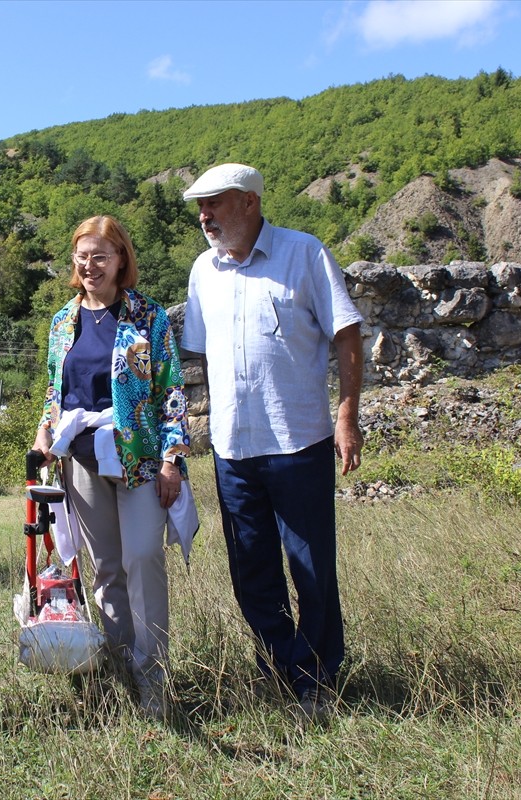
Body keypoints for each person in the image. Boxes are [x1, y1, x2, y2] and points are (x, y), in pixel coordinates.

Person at [179, 163, 364, 724]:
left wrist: (348, 413)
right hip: (233, 449)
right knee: (250, 572)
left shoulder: (304, 254)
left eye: (215, 204)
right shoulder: (202, 272)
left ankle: (318, 680)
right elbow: (197, 355)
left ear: (250, 202)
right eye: (200, 207)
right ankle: (292, 670)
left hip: (299, 441)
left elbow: (347, 333)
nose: (204, 216)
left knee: (311, 568)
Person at [31, 215, 191, 721]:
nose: (89, 265)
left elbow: (171, 393)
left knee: (143, 557)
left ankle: (153, 678)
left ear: (122, 259)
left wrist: (172, 460)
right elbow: (57, 391)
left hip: (139, 459)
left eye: (101, 256)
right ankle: (122, 664)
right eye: (82, 255)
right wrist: (44, 434)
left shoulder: (149, 317)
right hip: (80, 459)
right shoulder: (63, 321)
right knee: (105, 570)